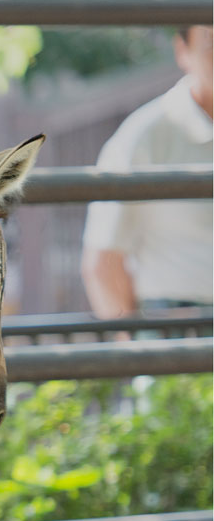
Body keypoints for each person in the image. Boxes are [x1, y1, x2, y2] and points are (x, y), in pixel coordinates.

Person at [81, 23, 213, 318]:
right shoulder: (145, 135)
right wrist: (135, 353)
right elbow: (103, 261)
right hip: (180, 326)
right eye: (211, 42)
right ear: (183, 51)